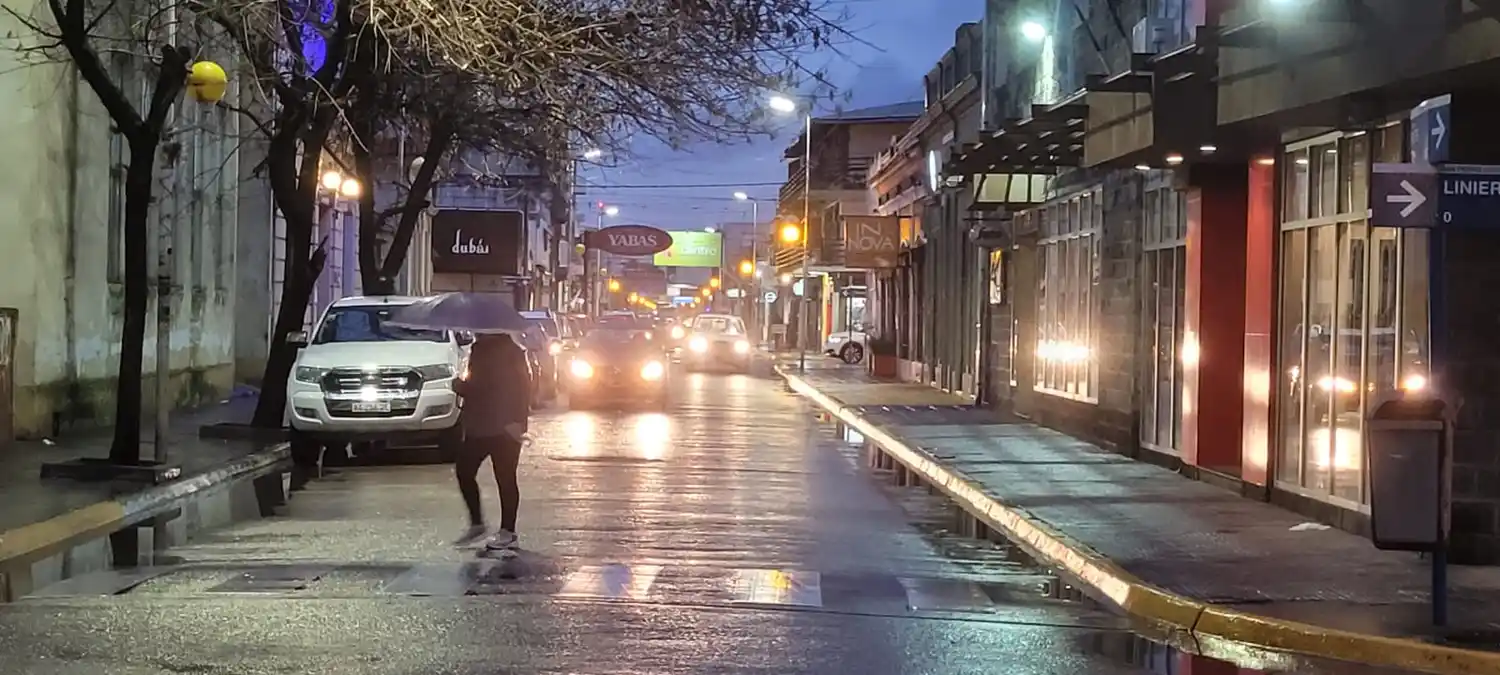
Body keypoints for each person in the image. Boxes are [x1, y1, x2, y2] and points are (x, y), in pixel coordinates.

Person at [450, 332, 532, 550]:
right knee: (465, 471)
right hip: (484, 425)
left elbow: (491, 388)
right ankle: (479, 523)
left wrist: (460, 386)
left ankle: (507, 530)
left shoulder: (505, 352)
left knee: (504, 477)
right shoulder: (481, 350)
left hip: (502, 426)